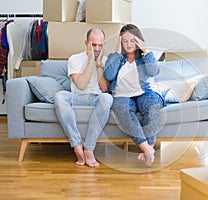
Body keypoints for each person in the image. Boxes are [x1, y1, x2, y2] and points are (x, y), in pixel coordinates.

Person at [104, 24, 164, 167]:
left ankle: (148, 148)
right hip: (121, 95)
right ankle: (147, 149)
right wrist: (117, 53)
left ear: (138, 40)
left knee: (153, 104)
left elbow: (153, 71)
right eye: (125, 41)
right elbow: (109, 74)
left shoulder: (143, 57)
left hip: (143, 92)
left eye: (132, 40)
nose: (129, 44)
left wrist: (145, 50)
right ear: (120, 42)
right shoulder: (116, 57)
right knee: (123, 109)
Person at [54, 28, 113, 167]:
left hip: (97, 98)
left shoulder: (106, 61)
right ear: (86, 43)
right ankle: (76, 145)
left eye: (100, 45)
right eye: (93, 45)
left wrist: (98, 64)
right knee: (59, 96)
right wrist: (90, 60)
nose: (97, 48)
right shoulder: (74, 59)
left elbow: (105, 88)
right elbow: (81, 85)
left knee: (107, 98)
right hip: (77, 97)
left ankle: (89, 148)